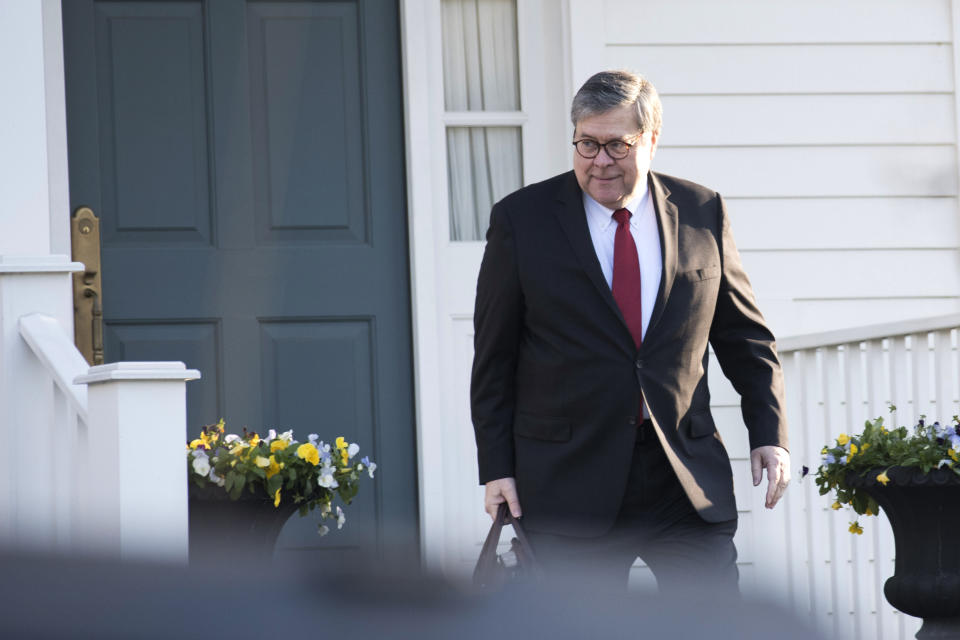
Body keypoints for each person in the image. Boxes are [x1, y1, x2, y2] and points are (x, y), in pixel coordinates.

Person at [470, 70, 790, 594]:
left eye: (617, 145)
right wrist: (496, 467)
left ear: (652, 140)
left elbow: (744, 336)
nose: (600, 161)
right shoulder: (521, 220)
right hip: (567, 481)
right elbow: (494, 358)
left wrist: (769, 434)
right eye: (587, 144)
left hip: (682, 477)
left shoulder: (702, 210)